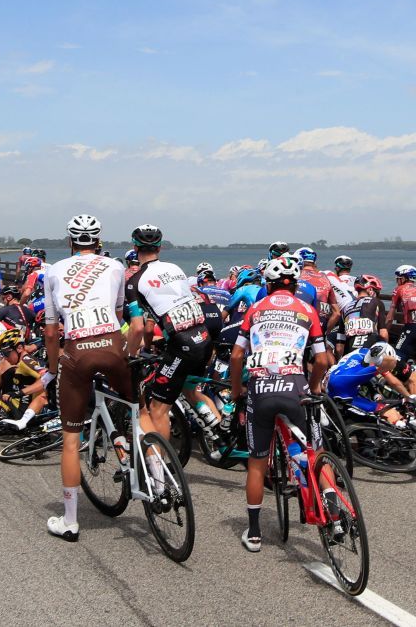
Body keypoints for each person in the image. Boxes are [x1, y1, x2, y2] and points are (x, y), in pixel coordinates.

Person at [230, 256, 328, 552]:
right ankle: (332, 507)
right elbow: (322, 360)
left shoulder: (257, 309)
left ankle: (255, 533)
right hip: (295, 388)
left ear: (268, 285)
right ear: (296, 285)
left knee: (257, 464)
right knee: (315, 450)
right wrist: (312, 388)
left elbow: (236, 357)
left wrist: (237, 390)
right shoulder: (307, 309)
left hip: (260, 389)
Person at [41, 213, 127, 542]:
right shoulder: (116, 267)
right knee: (142, 409)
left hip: (76, 350)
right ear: (99, 240)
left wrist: (52, 368)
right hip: (112, 345)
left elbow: (51, 332)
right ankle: (155, 475)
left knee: (70, 440)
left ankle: (70, 521)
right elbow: (118, 316)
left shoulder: (54, 271)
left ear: (70, 241)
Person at [125, 224, 210, 443]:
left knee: (157, 408)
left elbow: (137, 327)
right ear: (160, 247)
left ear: (135, 247)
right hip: (204, 337)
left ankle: (159, 468)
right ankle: (220, 432)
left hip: (182, 345)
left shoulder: (134, 282)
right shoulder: (175, 268)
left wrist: (129, 355)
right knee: (191, 390)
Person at [326, 342, 416, 427]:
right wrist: (409, 397)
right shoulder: (375, 363)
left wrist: (375, 393)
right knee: (390, 413)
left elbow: (361, 378)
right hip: (344, 391)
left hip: (332, 382)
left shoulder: (361, 352)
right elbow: (394, 382)